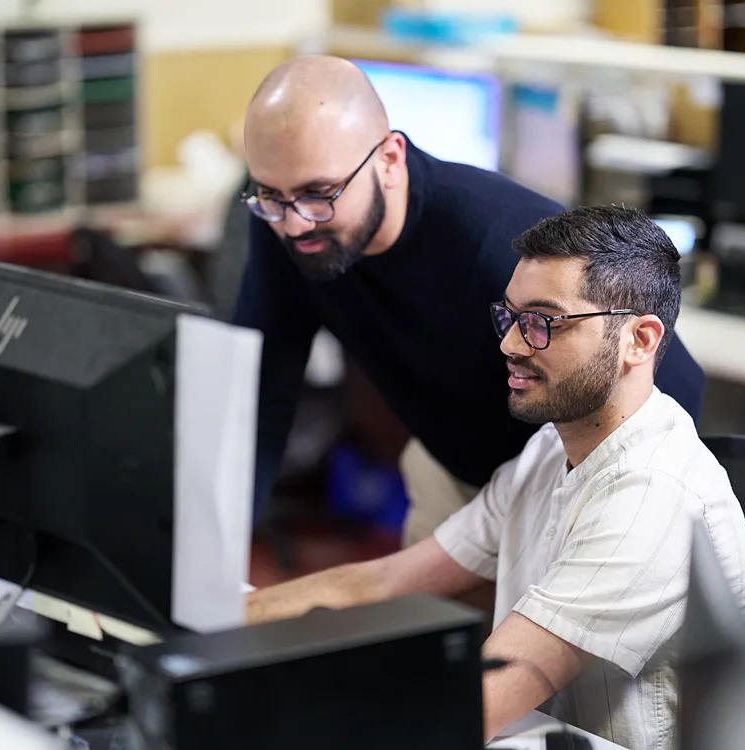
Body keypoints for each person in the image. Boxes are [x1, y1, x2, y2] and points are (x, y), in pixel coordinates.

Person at [243, 205, 745, 749]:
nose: (510, 344)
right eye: (509, 316)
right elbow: (382, 583)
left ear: (640, 340)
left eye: (543, 323)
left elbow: (476, 705)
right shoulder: (550, 449)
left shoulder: (651, 497)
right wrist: (217, 627)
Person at [234, 55, 707, 548]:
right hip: (454, 468)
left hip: (558, 489)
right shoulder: (285, 226)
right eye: (271, 196)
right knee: (419, 620)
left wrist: (596, 523)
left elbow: (674, 383)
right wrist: (213, 565)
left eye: (320, 193)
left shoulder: (497, 242)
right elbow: (260, 386)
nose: (294, 223)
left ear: (389, 159)